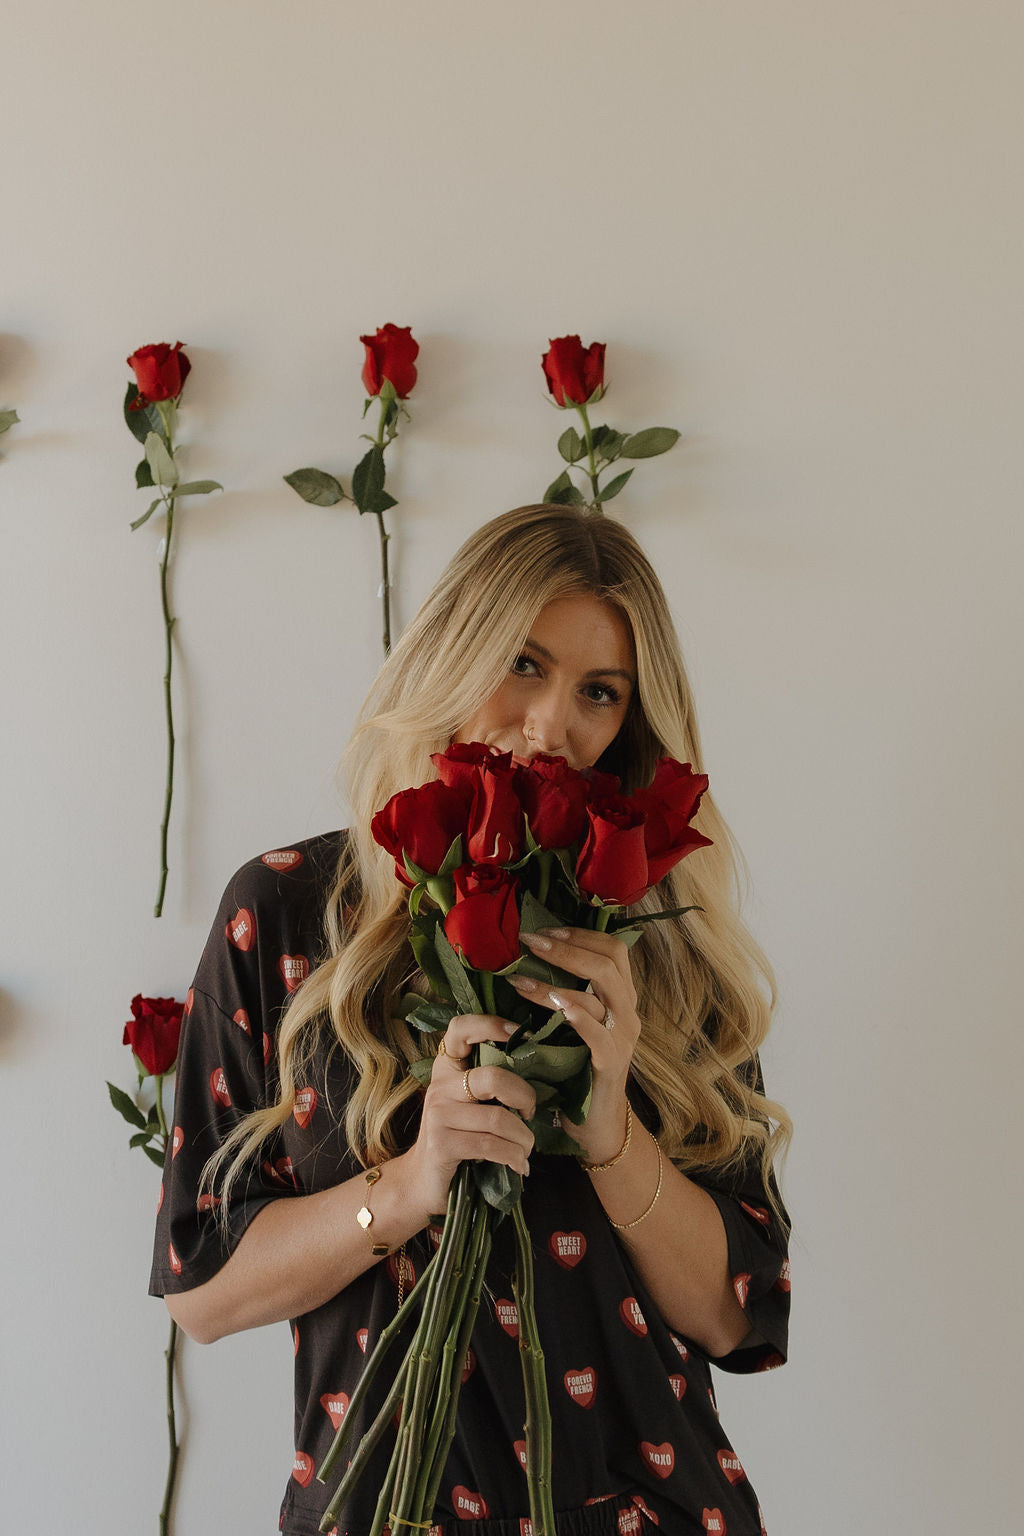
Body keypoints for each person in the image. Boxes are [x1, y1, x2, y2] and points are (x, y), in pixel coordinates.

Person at [151, 504, 792, 1536]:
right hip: (378, 1510)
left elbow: (738, 1315)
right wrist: (409, 1185)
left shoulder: (665, 948)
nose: (551, 727)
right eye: (521, 664)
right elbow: (202, 1289)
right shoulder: (284, 910)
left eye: (599, 693)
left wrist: (610, 1135)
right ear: (453, 652)